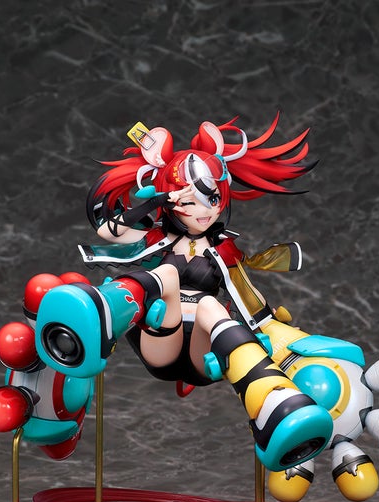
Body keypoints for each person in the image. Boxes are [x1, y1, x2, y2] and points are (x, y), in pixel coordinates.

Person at [72, 115, 334, 472]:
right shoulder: (157, 237)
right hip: (162, 339)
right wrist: (159, 199)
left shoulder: (223, 249)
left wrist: (272, 326)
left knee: (211, 304)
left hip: (204, 354)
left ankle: (272, 405)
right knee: (167, 275)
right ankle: (101, 314)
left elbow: (244, 292)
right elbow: (107, 229)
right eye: (191, 200)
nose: (205, 210)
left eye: (212, 198)